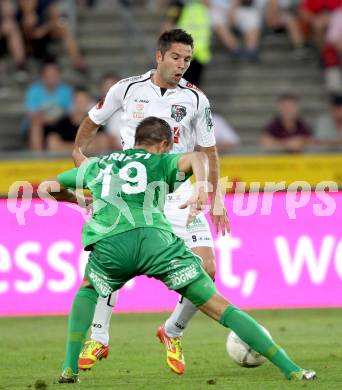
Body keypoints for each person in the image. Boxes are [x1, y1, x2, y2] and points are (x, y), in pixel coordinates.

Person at [41, 116, 316, 384]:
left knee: (89, 288)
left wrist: (79, 199)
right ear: (163, 145)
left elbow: (49, 187)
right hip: (156, 245)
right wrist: (200, 190)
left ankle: (68, 369)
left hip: (112, 247)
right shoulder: (161, 161)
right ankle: (292, 370)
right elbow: (198, 157)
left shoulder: (99, 164)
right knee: (219, 306)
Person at [72, 29, 230, 375]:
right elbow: (93, 119)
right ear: (159, 56)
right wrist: (77, 152)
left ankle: (172, 331)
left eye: (187, 60)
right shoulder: (127, 88)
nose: (181, 65)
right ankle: (98, 336)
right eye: (175, 58)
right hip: (132, 191)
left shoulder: (196, 99)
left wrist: (215, 195)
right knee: (107, 265)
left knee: (207, 269)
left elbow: (209, 151)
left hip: (177, 192)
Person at [24, 60, 73, 151]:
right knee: (35, 126)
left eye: (54, 74)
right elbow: (32, 116)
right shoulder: (34, 91)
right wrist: (50, 120)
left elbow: (70, 115)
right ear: (42, 76)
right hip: (40, 124)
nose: (51, 77)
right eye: (48, 74)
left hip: (59, 125)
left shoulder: (67, 91)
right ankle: (37, 158)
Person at [45, 87, 111, 153]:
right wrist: (85, 148)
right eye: (78, 101)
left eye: (83, 101)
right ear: (73, 102)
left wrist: (65, 147)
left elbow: (103, 145)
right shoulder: (62, 123)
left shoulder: (96, 122)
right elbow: (52, 145)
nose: (81, 104)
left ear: (88, 102)